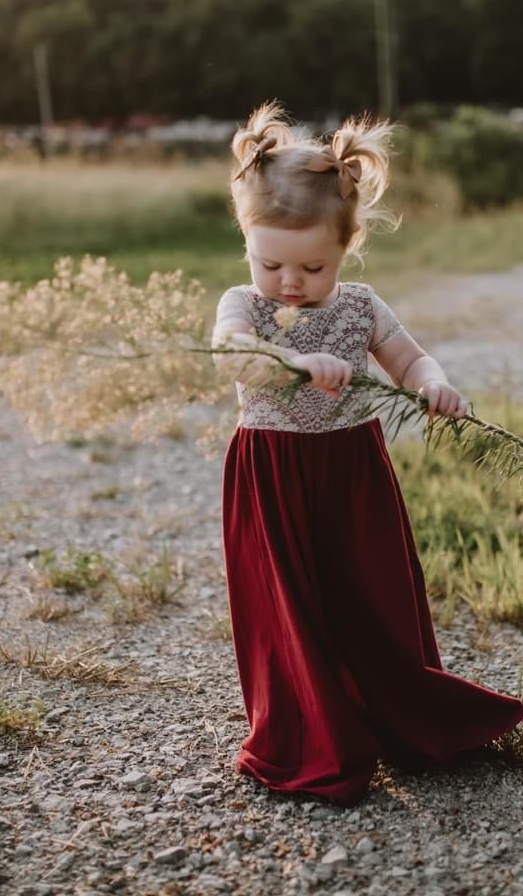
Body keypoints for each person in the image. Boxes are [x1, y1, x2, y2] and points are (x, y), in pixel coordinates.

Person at [211, 100, 523, 808]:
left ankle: (399, 710)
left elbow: (409, 359)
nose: (290, 281)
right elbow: (234, 353)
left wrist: (434, 383)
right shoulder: (244, 304)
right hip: (273, 473)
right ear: (247, 246)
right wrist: (292, 359)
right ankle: (310, 731)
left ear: (348, 246)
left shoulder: (361, 305)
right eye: (271, 262)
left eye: (312, 265)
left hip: (352, 470)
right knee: (289, 605)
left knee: (370, 593)